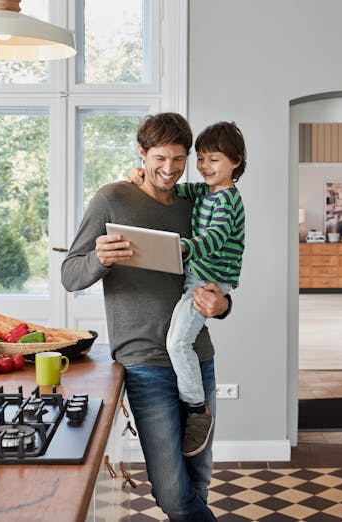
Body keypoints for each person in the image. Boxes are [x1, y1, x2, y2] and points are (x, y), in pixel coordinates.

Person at [61, 112, 229, 522]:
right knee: (173, 494)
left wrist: (223, 306)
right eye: (159, 158)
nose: (169, 170)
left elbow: (218, 269)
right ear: (141, 152)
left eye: (178, 159)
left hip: (196, 355)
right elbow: (71, 274)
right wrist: (99, 258)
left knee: (197, 482)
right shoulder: (113, 198)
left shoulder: (196, 203)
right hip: (144, 364)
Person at [129, 121, 246, 457]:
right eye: (202, 159)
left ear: (235, 162)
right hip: (196, 280)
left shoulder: (227, 202)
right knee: (177, 341)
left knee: (178, 343)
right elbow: (174, 190)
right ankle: (193, 405)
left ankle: (196, 410)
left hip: (208, 282)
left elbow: (214, 238)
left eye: (216, 161)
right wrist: (139, 176)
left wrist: (182, 248)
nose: (206, 167)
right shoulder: (205, 193)